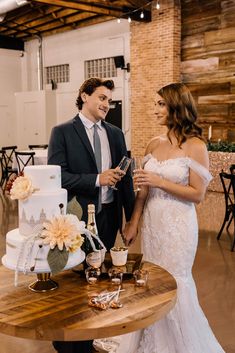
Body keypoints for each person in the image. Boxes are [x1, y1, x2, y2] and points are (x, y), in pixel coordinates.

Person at [118, 82, 225, 353]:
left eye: (161, 104)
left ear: (177, 107)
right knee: (152, 280)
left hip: (178, 226)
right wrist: (133, 222)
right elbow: (143, 190)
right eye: (156, 104)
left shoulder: (196, 146)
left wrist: (160, 181)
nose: (155, 109)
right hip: (153, 224)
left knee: (175, 280)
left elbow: (197, 194)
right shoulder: (153, 143)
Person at [47, 77, 135, 353]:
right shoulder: (61, 132)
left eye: (109, 99)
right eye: (100, 97)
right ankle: (68, 340)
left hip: (109, 217)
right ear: (84, 96)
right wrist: (97, 179)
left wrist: (130, 220)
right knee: (74, 281)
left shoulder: (116, 134)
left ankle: (94, 332)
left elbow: (127, 179)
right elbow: (58, 176)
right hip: (76, 220)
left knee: (103, 278)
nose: (106, 104)